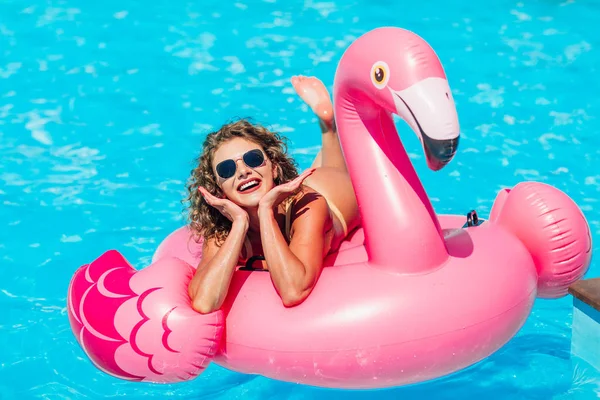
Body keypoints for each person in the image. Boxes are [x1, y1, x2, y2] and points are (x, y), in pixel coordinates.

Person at [185, 76, 360, 314]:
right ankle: (326, 127)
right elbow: (205, 303)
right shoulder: (222, 227)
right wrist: (239, 222)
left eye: (253, 159)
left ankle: (328, 125)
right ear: (218, 190)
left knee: (337, 169)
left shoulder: (310, 205)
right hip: (283, 196)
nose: (244, 171)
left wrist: (265, 209)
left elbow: (293, 291)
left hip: (332, 193)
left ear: (274, 167)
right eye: (227, 169)